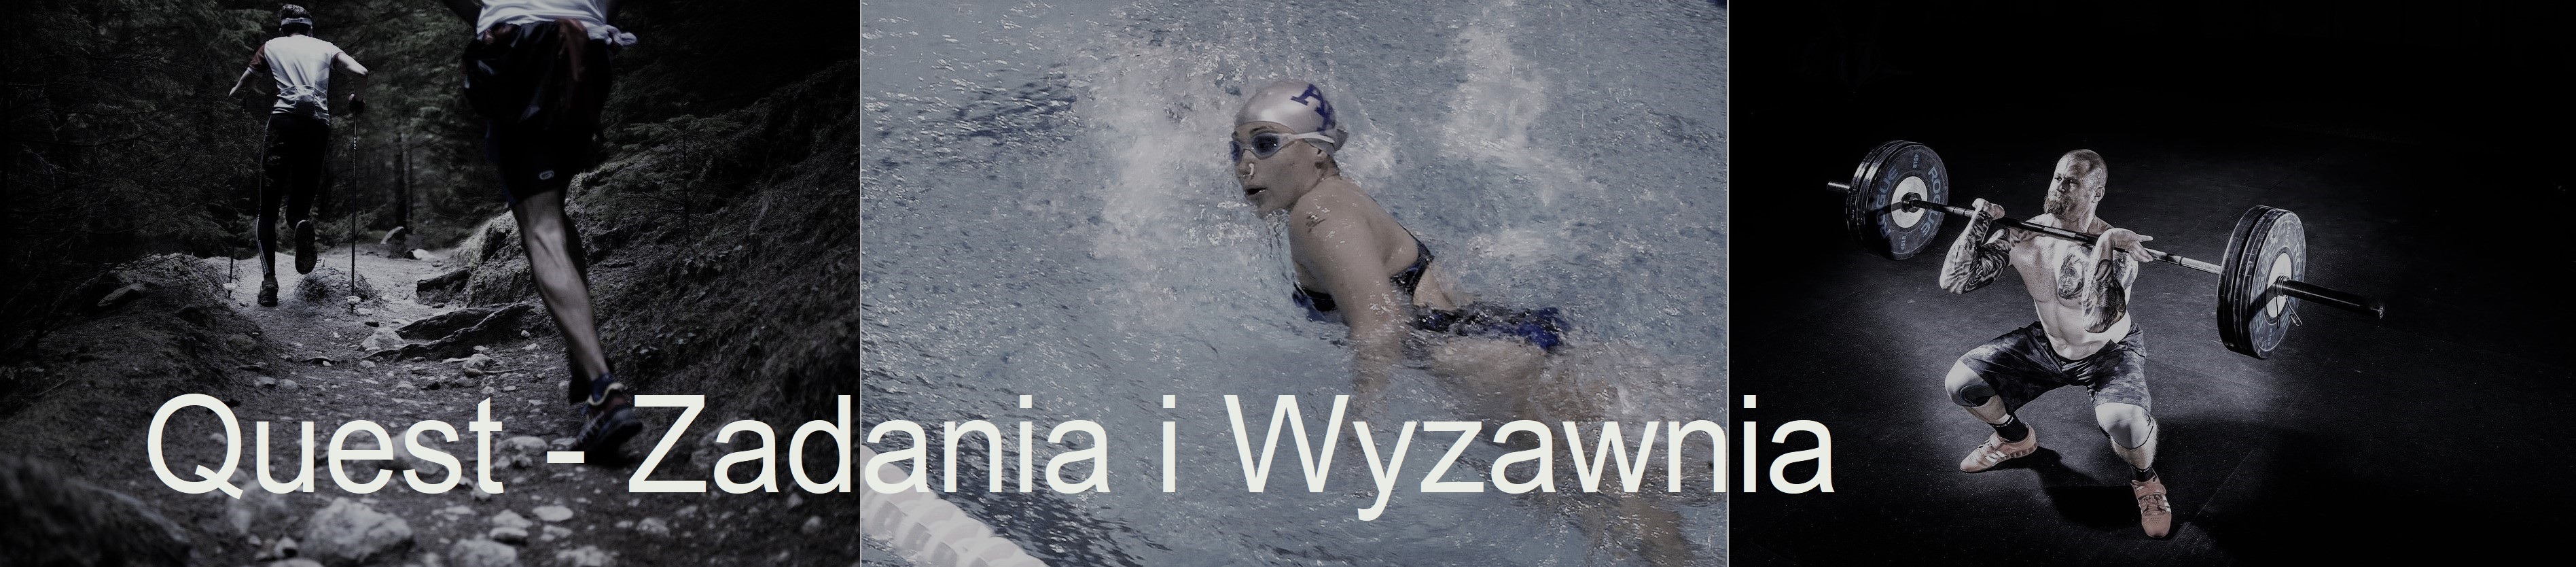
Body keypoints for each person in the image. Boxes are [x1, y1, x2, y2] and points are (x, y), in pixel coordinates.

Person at [1232, 80, 1691, 565]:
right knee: (1616, 486)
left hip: (1488, 367)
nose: (1245, 165)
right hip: (1503, 344)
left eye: (1266, 144)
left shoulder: (1317, 215)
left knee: (1608, 496)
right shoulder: (1339, 200)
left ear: (1318, 151)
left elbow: (1379, 321)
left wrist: (1361, 424)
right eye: (1237, 148)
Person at [1935, 150, 2170, 538]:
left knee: (2123, 423)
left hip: (2107, 351)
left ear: (2096, 193)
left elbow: (2098, 320)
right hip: (2048, 343)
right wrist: (1980, 222)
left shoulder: (2119, 248)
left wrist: (2105, 245)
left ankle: (2147, 481)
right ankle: (2014, 439)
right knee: (1961, 384)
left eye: (2072, 182)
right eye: (2058, 177)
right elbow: (1955, 280)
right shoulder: (2025, 235)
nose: (2060, 187)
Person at [452, 0, 642, 452]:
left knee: (541, 226)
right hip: (587, 49)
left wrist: (491, 16)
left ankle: (605, 391)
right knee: (553, 211)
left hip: (520, 49)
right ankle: (585, 361)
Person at [228, 4, 368, 307]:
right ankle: (301, 224)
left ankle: (269, 283)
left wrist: (237, 95)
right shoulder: (326, 47)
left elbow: (244, 85)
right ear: (310, 29)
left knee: (268, 208)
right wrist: (357, 99)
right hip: (317, 126)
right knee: (299, 208)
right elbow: (361, 73)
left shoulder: (271, 46)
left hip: (282, 124)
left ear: (283, 29)